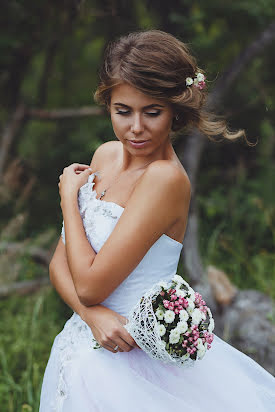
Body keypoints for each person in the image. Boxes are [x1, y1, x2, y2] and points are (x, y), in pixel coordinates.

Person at [39, 30, 275, 412]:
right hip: (80, 347)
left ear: (175, 111)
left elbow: (90, 286)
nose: (136, 127)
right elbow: (57, 265)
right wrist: (91, 317)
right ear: (108, 103)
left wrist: (69, 197)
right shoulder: (105, 156)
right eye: (123, 111)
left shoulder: (164, 180)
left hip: (133, 366)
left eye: (152, 112)